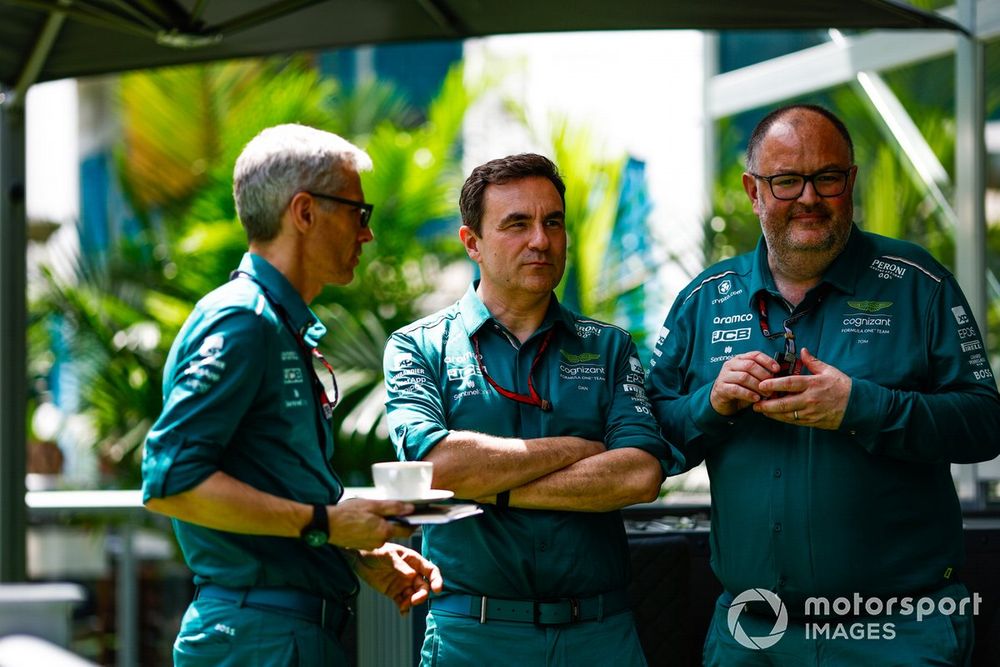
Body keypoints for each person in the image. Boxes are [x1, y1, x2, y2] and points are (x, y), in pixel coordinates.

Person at [646, 104, 1000, 665]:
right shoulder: (704, 299)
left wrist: (862, 406)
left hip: (898, 631)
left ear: (850, 181)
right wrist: (710, 404)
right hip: (753, 634)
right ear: (754, 191)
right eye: (786, 181)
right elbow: (649, 438)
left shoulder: (918, 283)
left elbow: (985, 422)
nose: (808, 197)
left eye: (827, 178)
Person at [142, 124, 442, 666]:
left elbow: (276, 483)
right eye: (358, 213)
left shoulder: (277, 323)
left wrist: (352, 549)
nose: (367, 233)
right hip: (259, 639)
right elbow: (171, 483)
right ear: (304, 212)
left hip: (283, 634)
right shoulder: (242, 320)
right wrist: (325, 523)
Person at [383, 153, 683, 666]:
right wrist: (576, 449)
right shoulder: (419, 347)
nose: (541, 240)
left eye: (553, 223)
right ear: (472, 243)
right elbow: (437, 468)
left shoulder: (608, 347)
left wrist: (489, 487)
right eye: (517, 224)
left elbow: (638, 475)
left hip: (599, 636)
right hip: (474, 638)